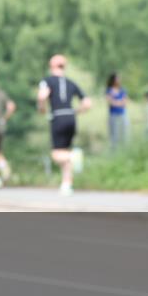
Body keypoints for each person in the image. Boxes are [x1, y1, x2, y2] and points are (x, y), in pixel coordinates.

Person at [37, 54, 91, 195]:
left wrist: (42, 108)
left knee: (57, 154)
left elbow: (42, 96)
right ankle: (67, 184)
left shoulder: (47, 81)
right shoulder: (71, 82)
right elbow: (87, 103)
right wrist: (77, 111)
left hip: (58, 117)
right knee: (64, 150)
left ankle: (73, 156)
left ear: (51, 66)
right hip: (71, 117)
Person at [105, 72, 129, 148]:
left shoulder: (122, 90)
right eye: (117, 78)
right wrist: (120, 102)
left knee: (125, 133)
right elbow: (110, 102)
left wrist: (116, 102)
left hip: (122, 114)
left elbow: (125, 102)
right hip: (113, 115)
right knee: (114, 135)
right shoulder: (109, 90)